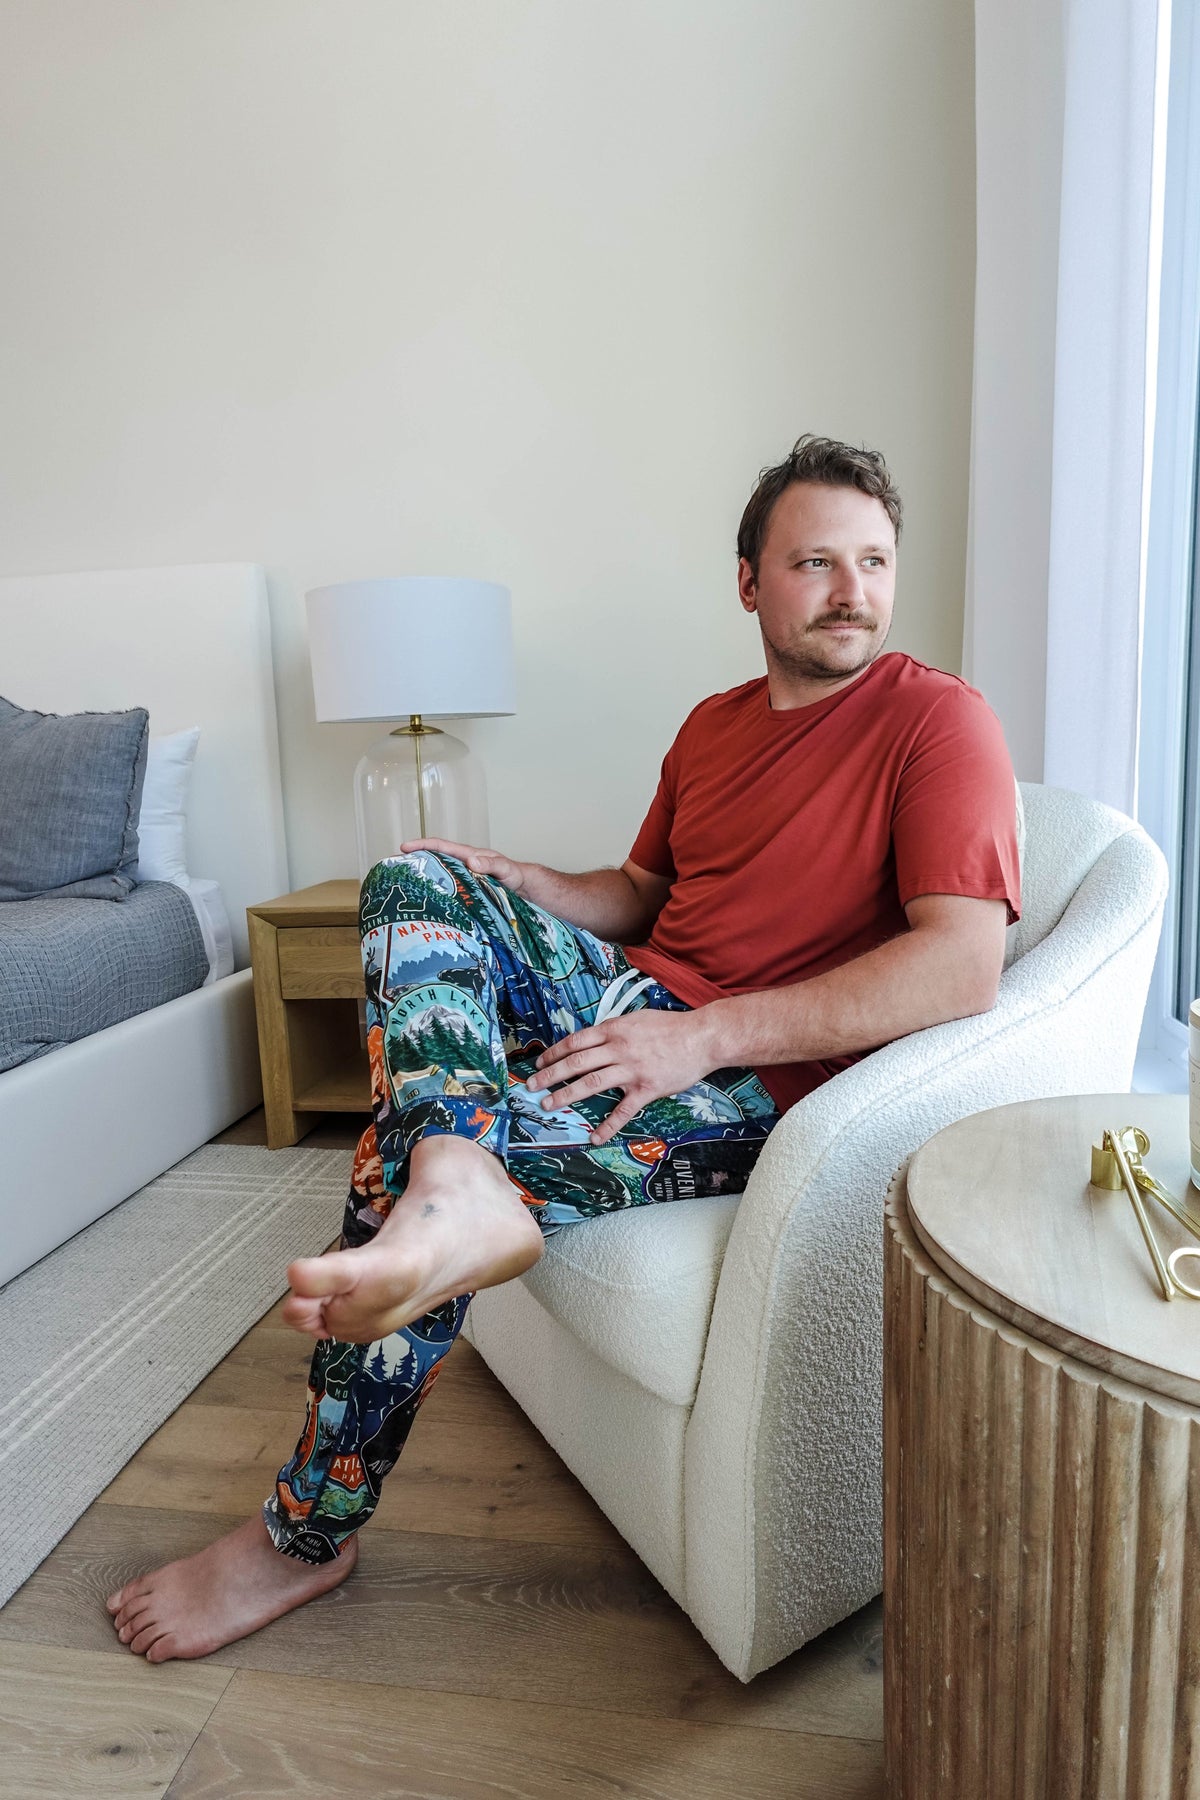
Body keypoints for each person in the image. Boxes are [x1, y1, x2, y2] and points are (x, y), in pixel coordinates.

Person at [106, 433, 1020, 1662]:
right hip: (640, 1000)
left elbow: (960, 965)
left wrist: (699, 1038)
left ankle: (301, 1535)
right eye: (815, 562)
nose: (853, 590)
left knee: (381, 1176)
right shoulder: (713, 726)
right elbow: (640, 891)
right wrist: (525, 882)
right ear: (750, 581)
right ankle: (458, 1180)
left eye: (874, 560)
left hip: (756, 1078)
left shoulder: (938, 724)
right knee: (415, 869)